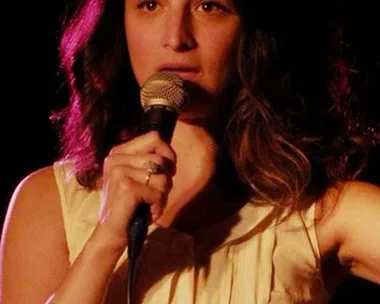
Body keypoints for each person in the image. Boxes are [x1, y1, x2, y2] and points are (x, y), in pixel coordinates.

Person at [1, 0, 379, 303]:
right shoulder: (49, 200)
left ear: (252, 30)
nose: (176, 37)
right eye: (150, 5)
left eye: (209, 6)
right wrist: (106, 241)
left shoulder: (319, 212)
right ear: (120, 23)